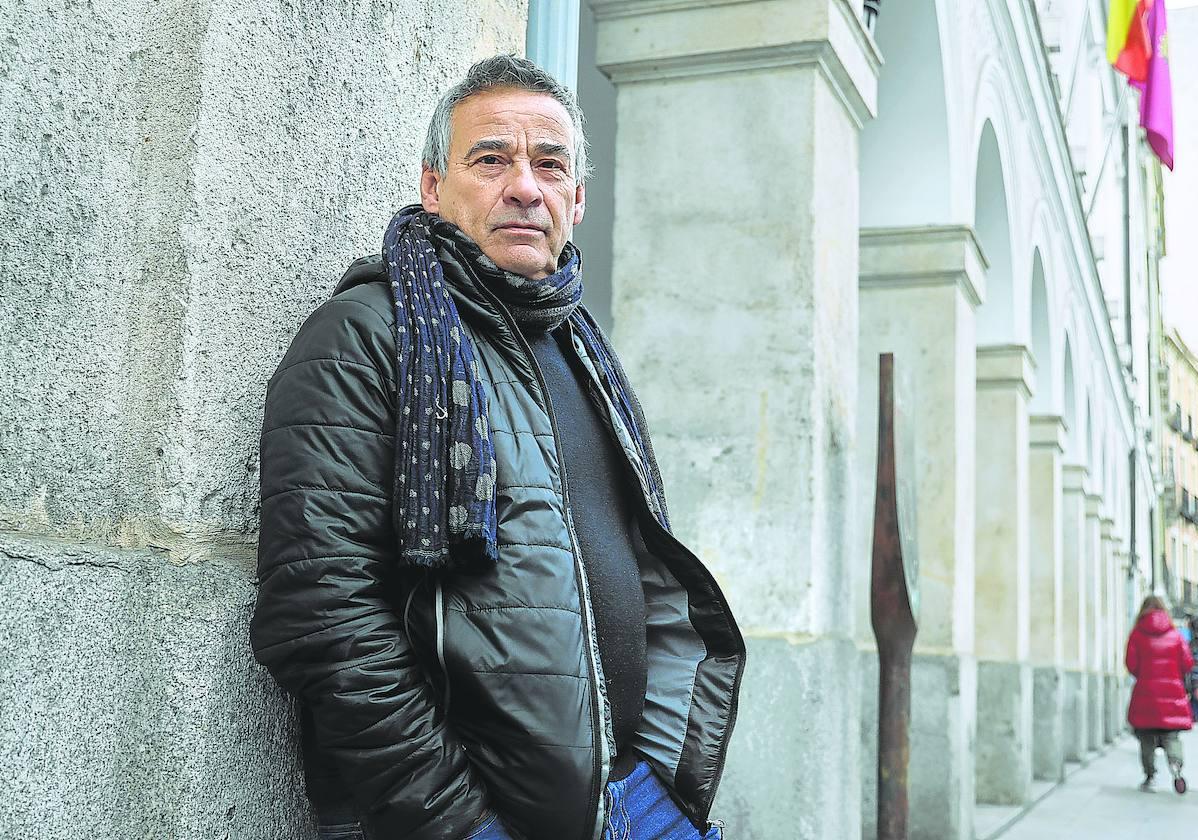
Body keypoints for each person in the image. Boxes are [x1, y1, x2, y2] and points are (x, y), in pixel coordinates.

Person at [250, 54, 745, 840]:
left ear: (576, 198)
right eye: (491, 160)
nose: (525, 186)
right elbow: (322, 612)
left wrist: (658, 789)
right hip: (467, 820)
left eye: (550, 164)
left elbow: (643, 572)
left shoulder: (585, 351)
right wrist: (461, 824)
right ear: (433, 186)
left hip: (632, 804)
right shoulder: (368, 335)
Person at [1125, 595, 1194, 793]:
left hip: (1146, 693)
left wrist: (1145, 675)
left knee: (1146, 737)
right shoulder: (1175, 635)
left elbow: (1131, 664)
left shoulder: (1137, 634)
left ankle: (1150, 775)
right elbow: (1187, 662)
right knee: (1171, 736)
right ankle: (1176, 765)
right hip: (1172, 695)